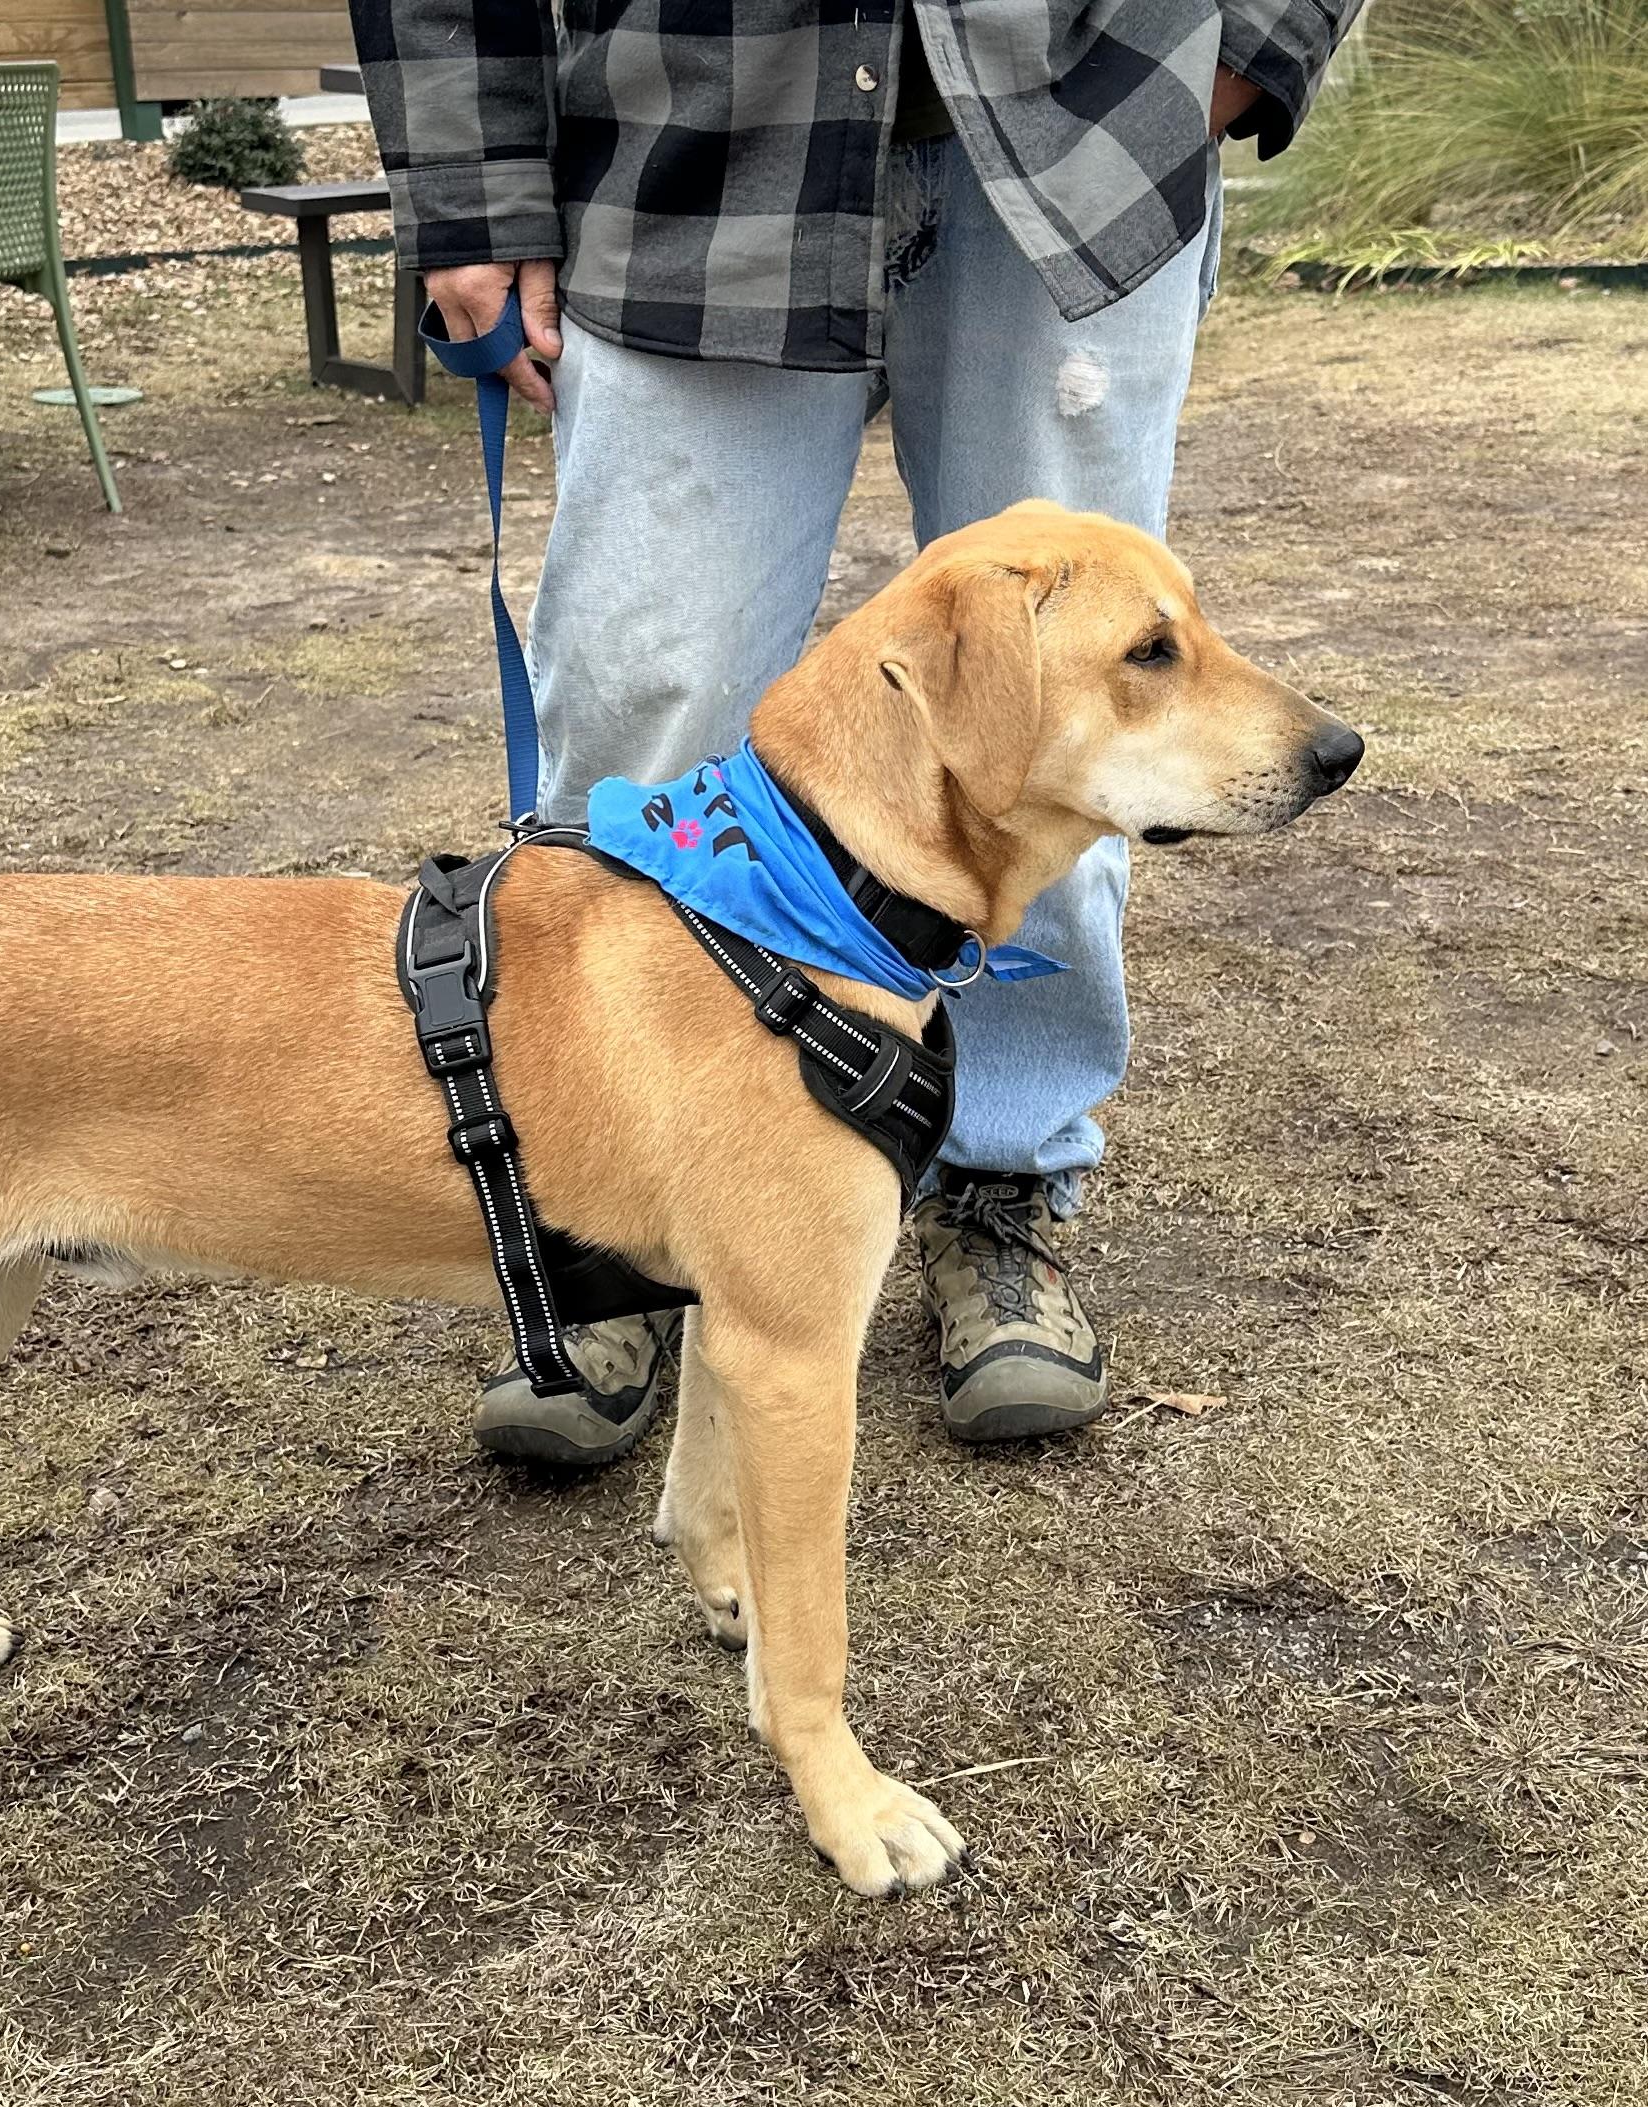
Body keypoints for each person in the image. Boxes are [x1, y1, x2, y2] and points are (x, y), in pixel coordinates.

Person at [348, 0, 1361, 1465]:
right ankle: (614, 1215)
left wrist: (1253, 50)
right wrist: (472, 184)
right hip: (696, 132)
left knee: (1088, 716)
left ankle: (1000, 1177)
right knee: (648, 692)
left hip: (1094, 122)